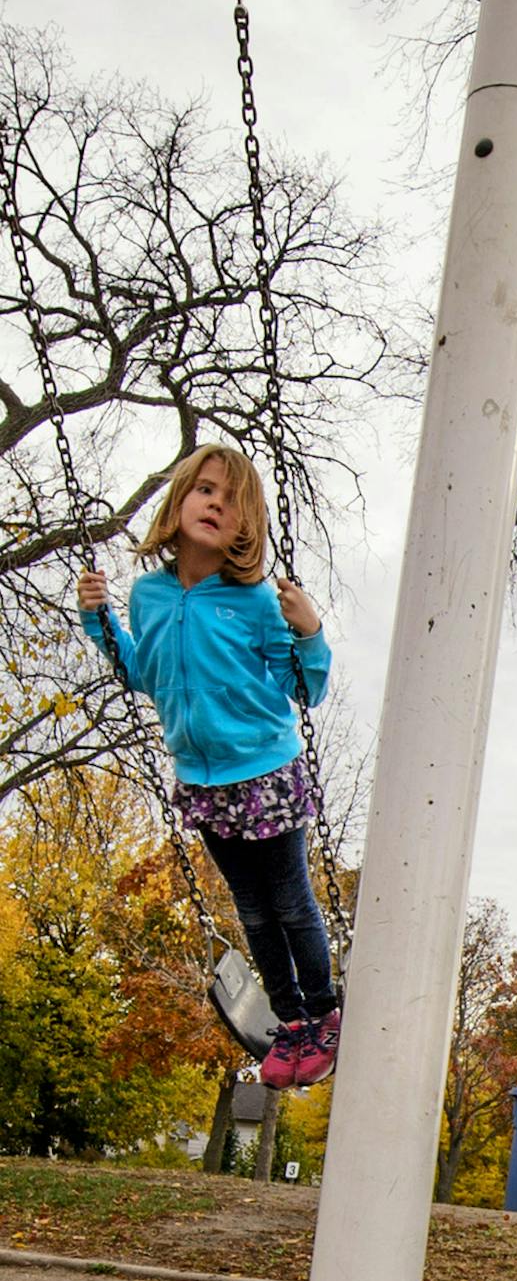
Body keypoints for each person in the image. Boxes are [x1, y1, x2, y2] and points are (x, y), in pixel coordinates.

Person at [76, 443, 338, 1089]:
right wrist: (98, 618)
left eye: (231, 498)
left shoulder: (255, 601)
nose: (216, 503)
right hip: (203, 781)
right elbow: (143, 670)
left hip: (265, 772)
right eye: (205, 490)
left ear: (246, 525)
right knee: (251, 909)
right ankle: (290, 1022)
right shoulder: (150, 595)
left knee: (290, 902)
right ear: (179, 501)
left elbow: (301, 688)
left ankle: (324, 1012)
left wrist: (309, 632)